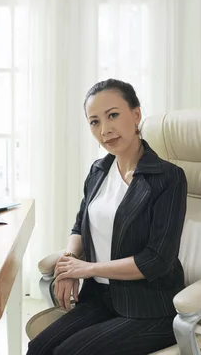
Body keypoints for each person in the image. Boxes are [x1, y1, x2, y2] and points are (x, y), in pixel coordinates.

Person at [27, 79, 188, 355]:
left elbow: (156, 260)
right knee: (39, 348)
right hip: (100, 299)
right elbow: (80, 225)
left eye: (113, 115)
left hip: (149, 307)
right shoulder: (99, 171)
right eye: (94, 122)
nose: (105, 130)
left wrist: (86, 269)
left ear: (136, 114)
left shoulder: (167, 177)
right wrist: (69, 263)